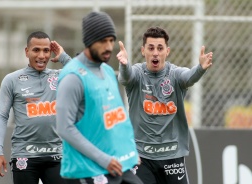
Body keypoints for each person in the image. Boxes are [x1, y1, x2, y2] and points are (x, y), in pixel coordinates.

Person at [116, 26, 213, 184]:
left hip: (172, 156)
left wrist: (200, 69)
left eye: (160, 48)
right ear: (143, 51)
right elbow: (125, 78)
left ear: (167, 51)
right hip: (141, 157)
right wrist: (124, 65)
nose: (155, 53)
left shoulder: (175, 74)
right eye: (151, 48)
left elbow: (188, 78)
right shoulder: (137, 74)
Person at [56, 11, 143, 184]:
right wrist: (104, 159)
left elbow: (117, 117)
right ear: (89, 42)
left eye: (111, 40)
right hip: (90, 169)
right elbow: (64, 128)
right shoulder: (73, 77)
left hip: (117, 164)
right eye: (103, 41)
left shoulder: (108, 71)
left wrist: (130, 150)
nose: (109, 47)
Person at [0, 31, 72, 184]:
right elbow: (2, 116)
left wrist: (63, 56)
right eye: (36, 50)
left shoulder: (60, 76)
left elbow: (84, 75)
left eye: (46, 50)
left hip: (57, 155)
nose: (41, 56)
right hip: (24, 155)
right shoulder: (12, 80)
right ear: (27, 52)